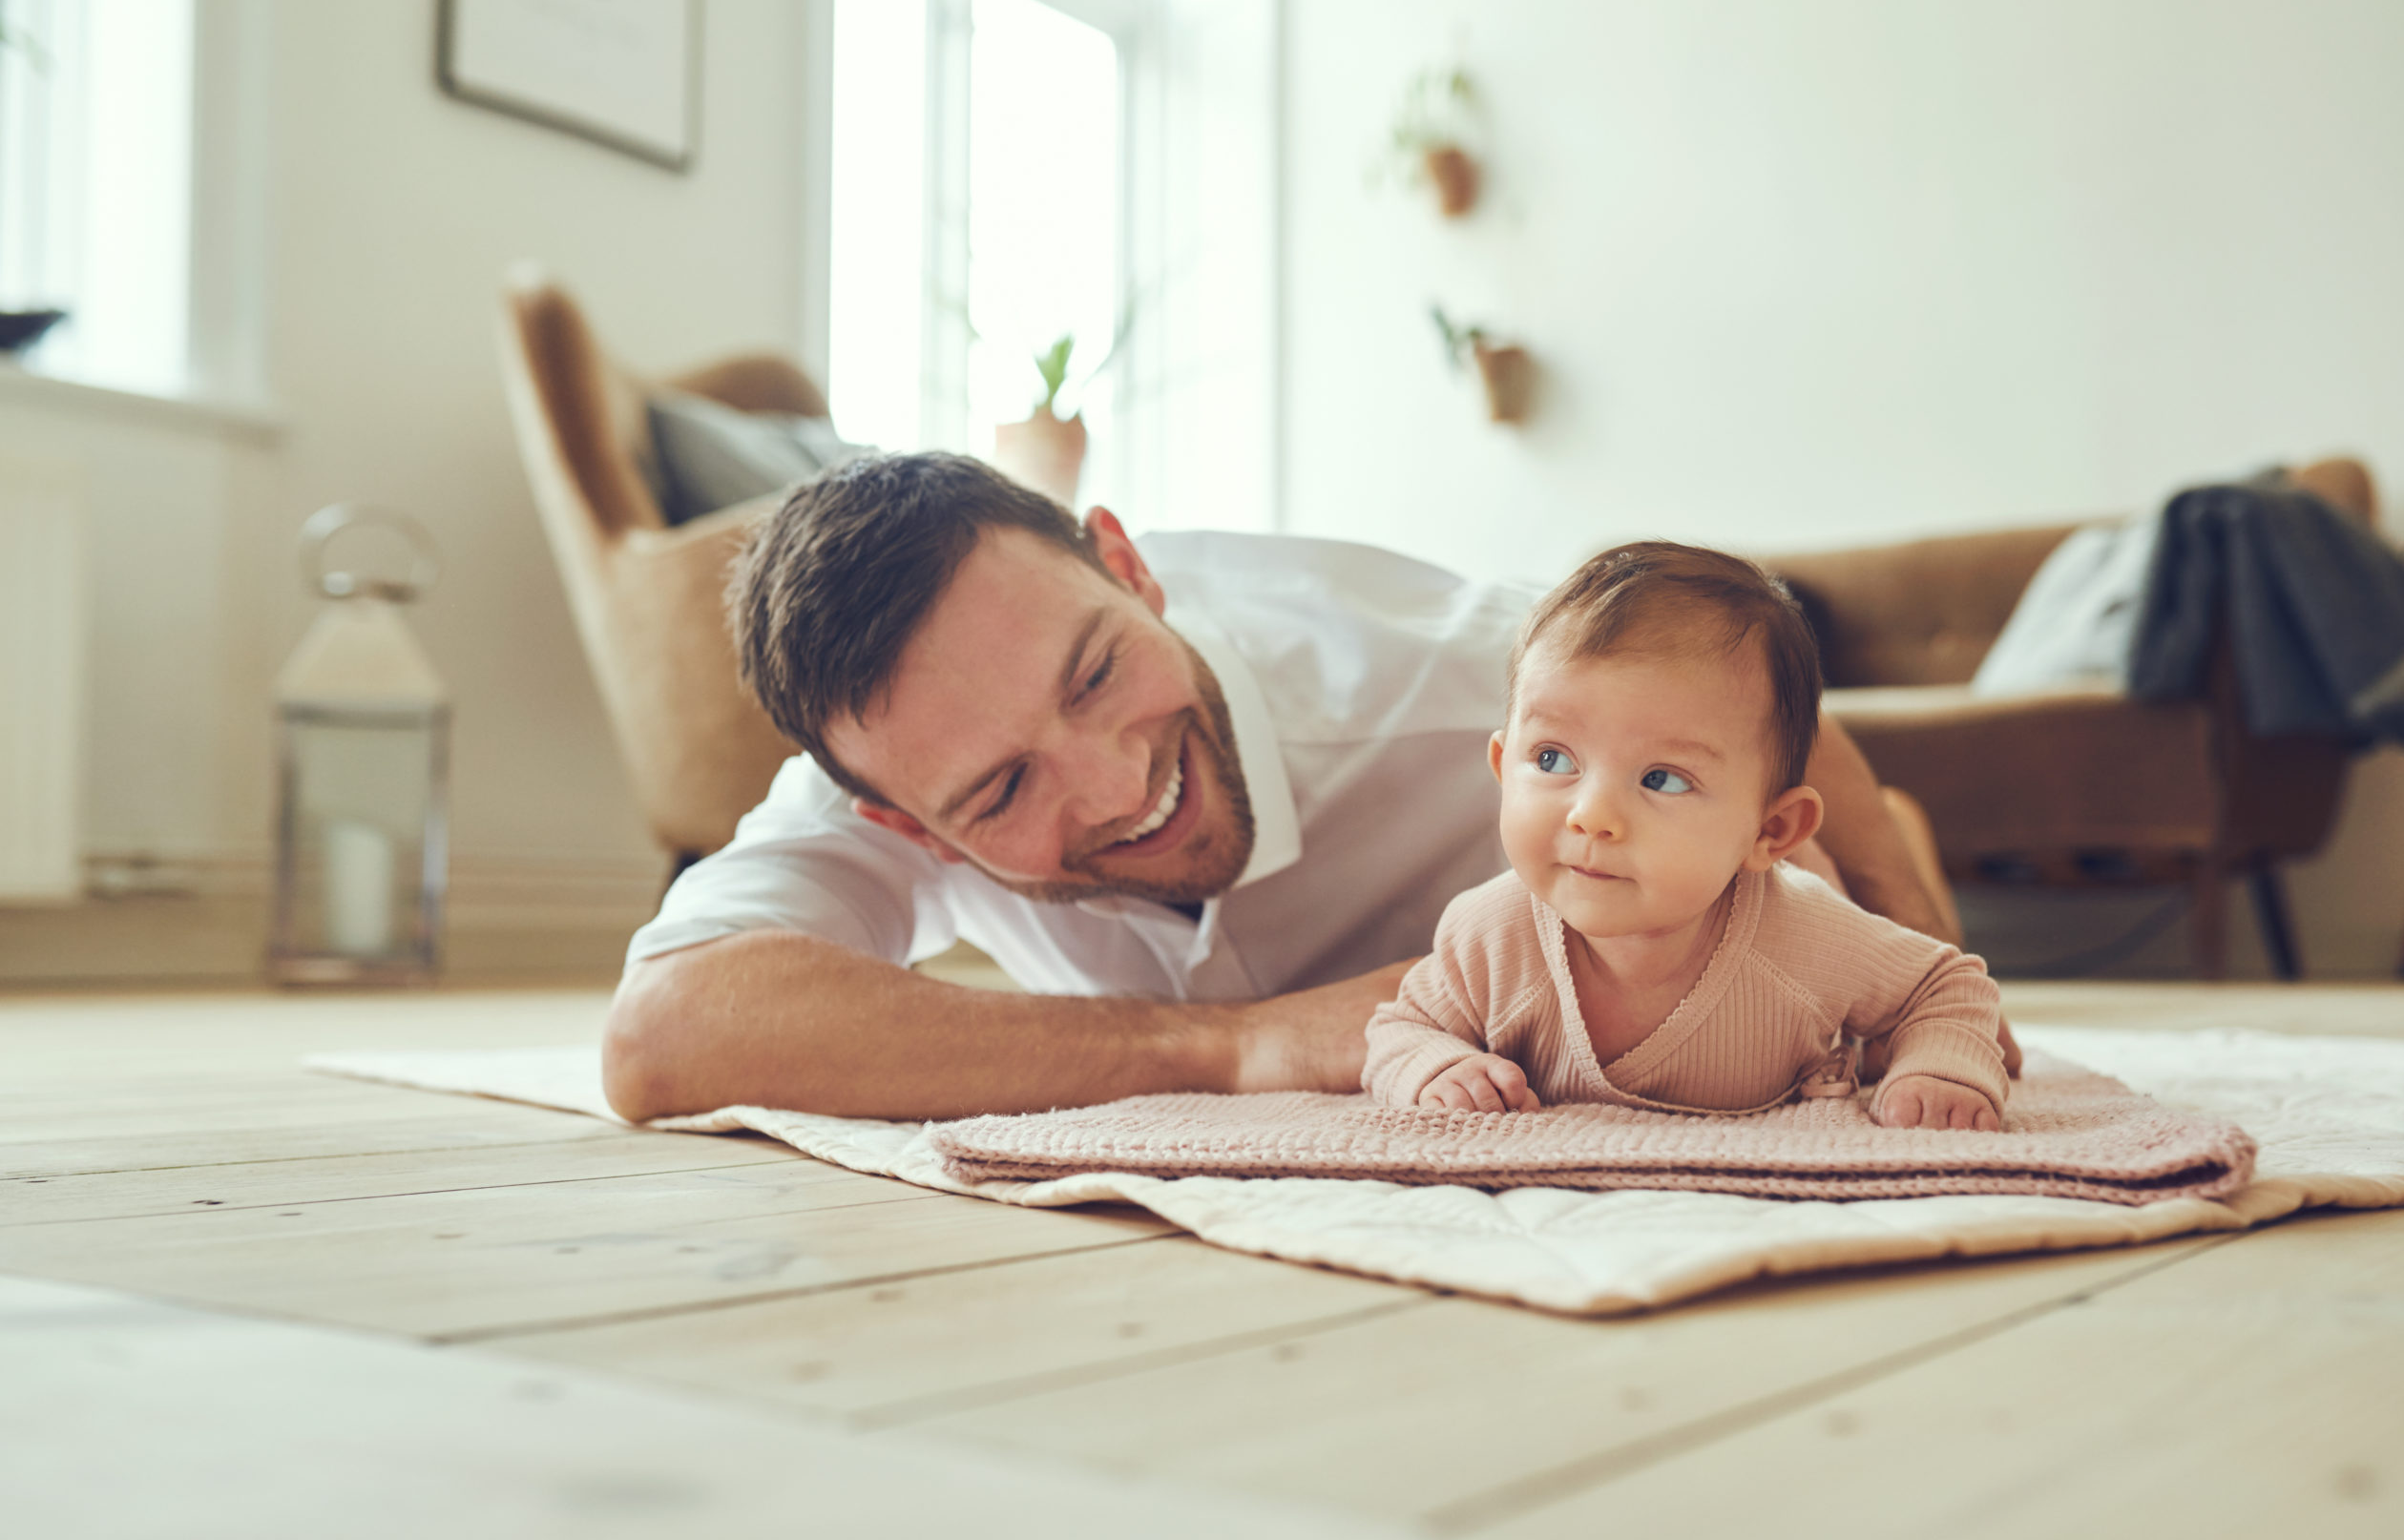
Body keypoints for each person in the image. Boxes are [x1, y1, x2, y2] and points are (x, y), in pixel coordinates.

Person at [602, 453, 1978, 1123]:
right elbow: (663, 1033)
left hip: (1684, 899)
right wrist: (1220, 1044)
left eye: (1096, 672)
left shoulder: (1440, 670)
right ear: (904, 822)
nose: (1120, 778)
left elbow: (1758, 710)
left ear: (1130, 567)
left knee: (1803, 905)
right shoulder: (886, 766)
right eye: (1007, 786)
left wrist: (1922, 929)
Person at [1364, 542, 2009, 1130]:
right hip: (1754, 862)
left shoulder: (1810, 936)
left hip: (1798, 894)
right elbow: (1402, 1027)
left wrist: (1940, 1067)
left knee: (1857, 931)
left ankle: (1892, 828)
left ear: (1771, 828)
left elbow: (1946, 986)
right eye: (1555, 759)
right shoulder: (1489, 934)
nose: (1591, 815)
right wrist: (1434, 1066)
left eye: (1661, 778)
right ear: (1504, 768)